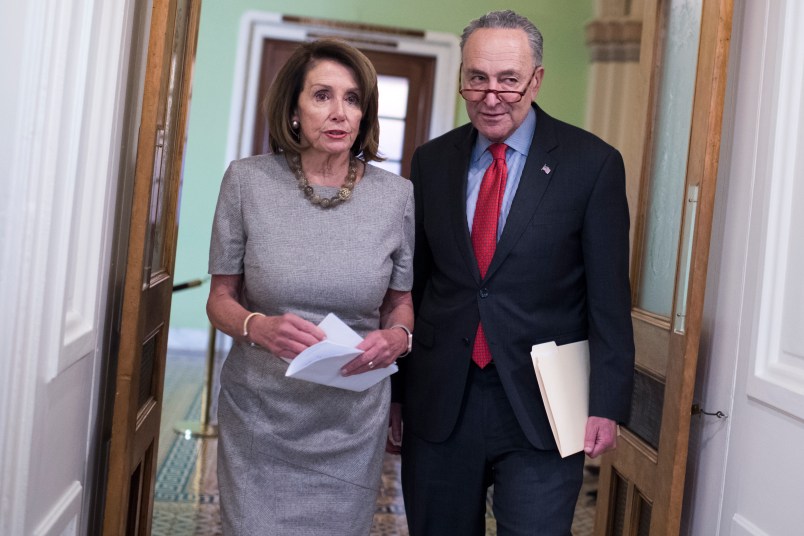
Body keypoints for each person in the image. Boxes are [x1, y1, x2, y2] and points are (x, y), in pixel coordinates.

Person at [389, 10, 634, 535]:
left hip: (542, 405)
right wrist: (398, 395)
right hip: (441, 400)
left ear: (536, 79)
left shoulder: (591, 165)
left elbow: (609, 299)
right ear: (462, 77)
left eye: (508, 80)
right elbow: (415, 285)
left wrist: (606, 404)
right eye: (477, 78)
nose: (490, 94)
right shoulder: (432, 161)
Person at [207, 38, 414, 535]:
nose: (339, 112)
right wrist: (258, 326)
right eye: (322, 95)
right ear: (294, 109)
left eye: (353, 98)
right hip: (260, 415)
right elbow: (220, 300)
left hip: (350, 421)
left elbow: (401, 304)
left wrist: (397, 339)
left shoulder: (397, 196)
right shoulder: (246, 182)